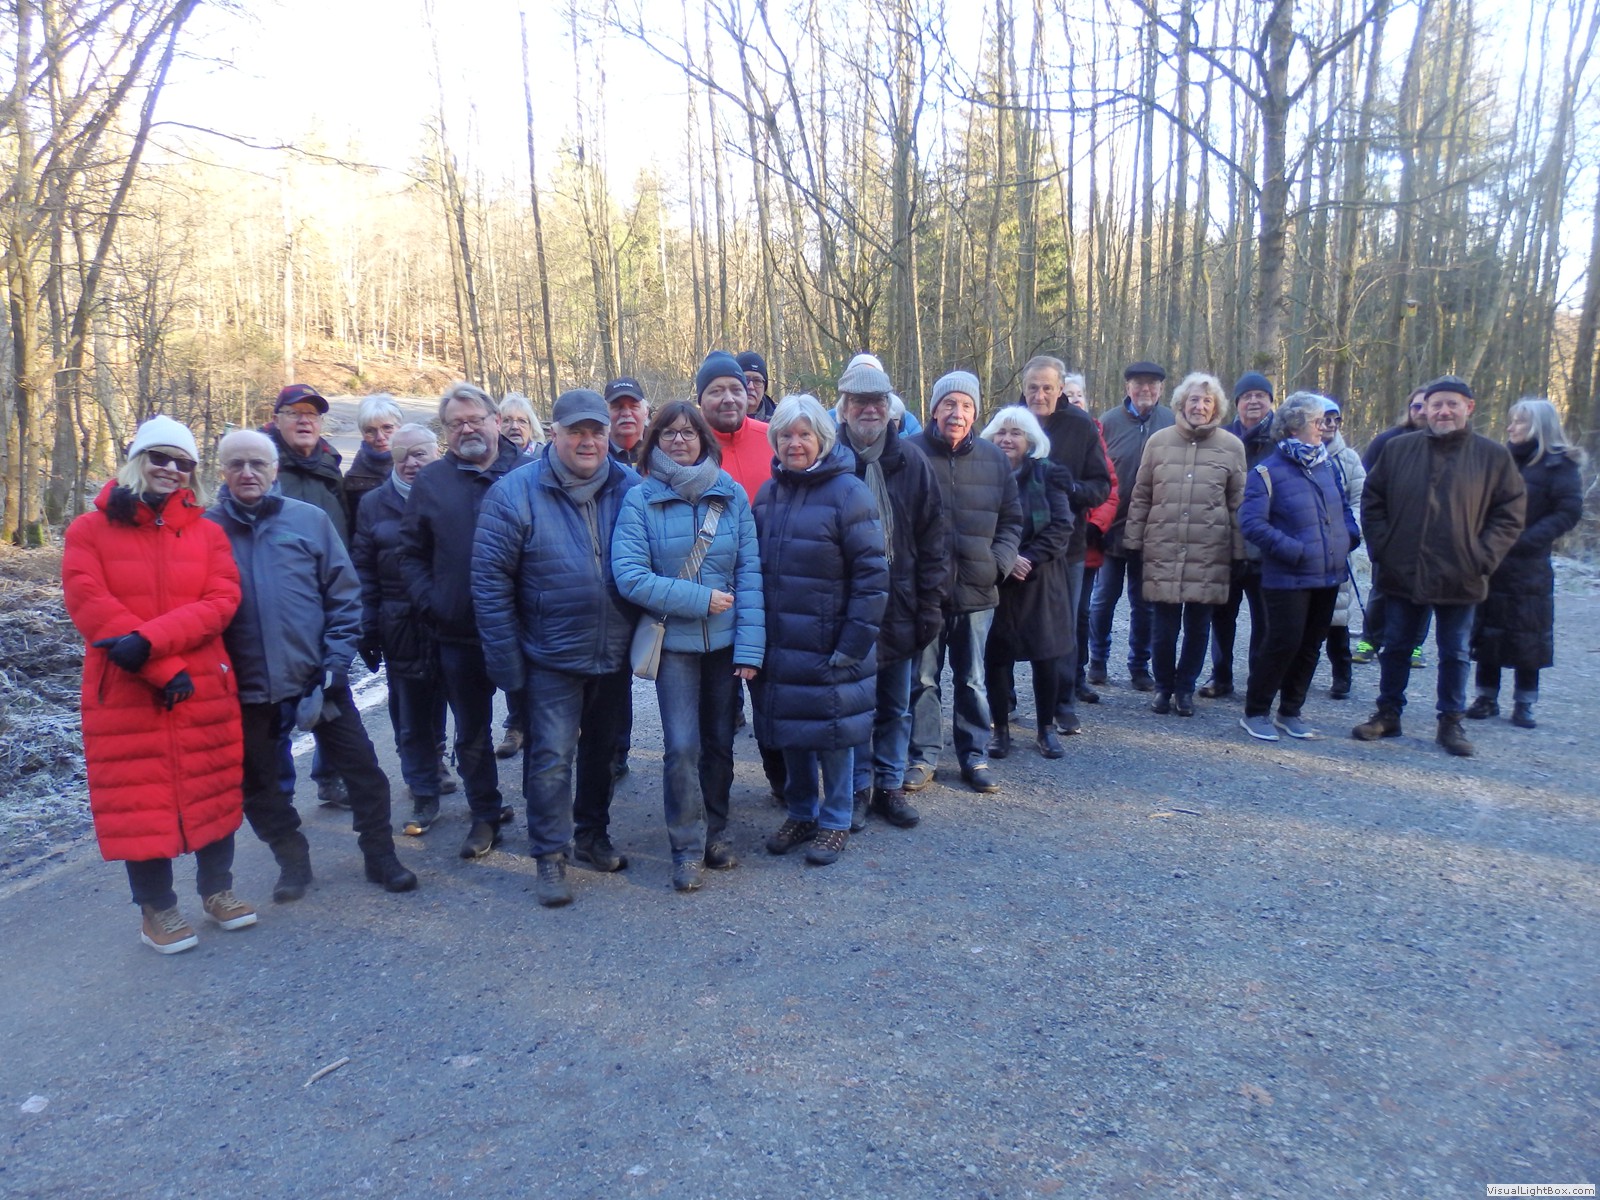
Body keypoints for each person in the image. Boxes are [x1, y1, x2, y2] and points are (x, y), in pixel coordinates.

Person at [62, 415, 254, 955]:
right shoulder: (88, 531)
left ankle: (217, 890)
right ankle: (156, 909)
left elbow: (221, 602)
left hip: (202, 683)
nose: (171, 469)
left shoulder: (208, 532)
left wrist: (151, 641)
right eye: (159, 457)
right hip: (127, 688)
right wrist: (159, 667)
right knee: (139, 799)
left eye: (183, 462)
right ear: (137, 460)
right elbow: (90, 604)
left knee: (212, 787)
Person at [206, 430, 418, 900]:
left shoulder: (308, 520)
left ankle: (381, 856)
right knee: (260, 785)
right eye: (237, 464)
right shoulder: (205, 532)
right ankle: (292, 860)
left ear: (274, 470)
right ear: (222, 471)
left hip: (317, 679)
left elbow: (344, 596)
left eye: (257, 464)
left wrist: (335, 663)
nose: (247, 473)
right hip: (246, 688)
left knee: (363, 772)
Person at [473, 389, 642, 907]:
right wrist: (507, 665)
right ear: (554, 433)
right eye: (576, 431)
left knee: (603, 753)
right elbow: (490, 585)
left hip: (613, 650)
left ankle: (592, 835)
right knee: (550, 758)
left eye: (596, 431)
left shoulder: (630, 486)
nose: (588, 441)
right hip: (549, 654)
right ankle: (550, 853)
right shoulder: (514, 493)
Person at [611, 402, 765, 891]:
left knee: (719, 743)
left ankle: (715, 832)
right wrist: (699, 600)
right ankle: (685, 847)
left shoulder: (731, 493)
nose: (679, 440)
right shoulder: (641, 499)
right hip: (674, 645)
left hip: (724, 645)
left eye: (688, 432)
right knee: (680, 747)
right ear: (655, 440)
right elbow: (629, 575)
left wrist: (750, 648)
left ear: (703, 438)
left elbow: (750, 573)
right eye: (669, 433)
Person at [1353, 376, 1527, 756]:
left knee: (1455, 652)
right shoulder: (1398, 449)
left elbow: (1510, 513)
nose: (1443, 411)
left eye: (1452, 404)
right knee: (1396, 646)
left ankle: (1451, 721)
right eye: (1436, 405)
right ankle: (1387, 713)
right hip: (1403, 569)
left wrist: (1483, 557)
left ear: (1469, 407)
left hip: (1462, 573)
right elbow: (1373, 500)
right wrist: (1383, 548)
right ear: (1425, 409)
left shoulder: (1493, 457)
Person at [751, 395, 888, 865]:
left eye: (804, 434)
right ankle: (802, 812)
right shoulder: (768, 495)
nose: (794, 443)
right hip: (783, 643)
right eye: (786, 435)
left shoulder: (849, 494)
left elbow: (872, 578)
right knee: (794, 733)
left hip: (833, 644)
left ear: (822, 439)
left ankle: (836, 819)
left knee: (835, 736)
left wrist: (853, 643)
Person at [399, 383, 521, 860]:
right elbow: (411, 553)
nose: (467, 429)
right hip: (458, 632)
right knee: (471, 732)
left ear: (496, 421)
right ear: (446, 431)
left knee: (542, 728)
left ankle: (549, 818)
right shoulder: (431, 482)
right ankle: (484, 814)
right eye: (456, 423)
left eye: (475, 419)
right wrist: (433, 602)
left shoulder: (530, 470)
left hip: (523, 628)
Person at [835, 358, 949, 831]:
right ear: (843, 407)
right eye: (860, 401)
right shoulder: (830, 460)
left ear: (889, 407)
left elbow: (933, 540)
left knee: (896, 706)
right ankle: (857, 787)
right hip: (846, 609)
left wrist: (930, 605)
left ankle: (890, 783)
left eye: (877, 401)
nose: (870, 409)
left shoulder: (913, 463)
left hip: (900, 603)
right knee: (852, 706)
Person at [907, 371, 1023, 794]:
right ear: (934, 409)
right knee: (922, 680)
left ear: (975, 413)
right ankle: (922, 756)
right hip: (925, 593)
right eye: (949, 404)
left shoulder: (994, 459)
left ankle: (974, 755)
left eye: (966, 406)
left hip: (977, 591)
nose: (957, 413)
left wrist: (998, 564)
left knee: (972, 679)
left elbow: (1012, 520)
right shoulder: (909, 454)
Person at [1236, 393, 1360, 741]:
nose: (1324, 427)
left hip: (1329, 573)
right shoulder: (1266, 472)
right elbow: (1251, 523)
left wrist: (1349, 537)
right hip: (1286, 577)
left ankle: (1290, 711)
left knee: (1310, 646)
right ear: (1294, 426)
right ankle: (1256, 711)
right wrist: (1292, 550)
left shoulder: (1327, 466)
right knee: (1282, 643)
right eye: (1317, 421)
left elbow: (1344, 509)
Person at [1122, 372, 1246, 716]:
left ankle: (1185, 689)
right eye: (1194, 399)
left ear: (1216, 407)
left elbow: (1238, 503)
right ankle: (1163, 688)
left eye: (1207, 401)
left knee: (1198, 626)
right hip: (1163, 547)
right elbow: (1141, 495)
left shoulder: (1232, 446)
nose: (1199, 406)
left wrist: (1240, 552)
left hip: (1210, 551)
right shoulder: (1158, 442)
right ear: (1181, 403)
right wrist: (1133, 541)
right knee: (1163, 628)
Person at [353, 424, 451, 835]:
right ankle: (423, 791)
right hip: (400, 623)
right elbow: (363, 567)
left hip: (449, 619)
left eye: (419, 454)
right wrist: (367, 626)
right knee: (410, 713)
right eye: (401, 455)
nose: (411, 463)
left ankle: (467, 784)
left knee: (458, 706)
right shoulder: (373, 504)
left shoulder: (451, 492)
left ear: (436, 453)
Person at [1467, 399, 1584, 729]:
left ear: (1537, 426)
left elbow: (1568, 512)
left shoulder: (1559, 465)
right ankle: (1485, 697)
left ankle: (1525, 701)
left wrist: (1527, 540)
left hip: (1529, 562)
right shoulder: (1500, 459)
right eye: (1512, 421)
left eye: (1518, 422)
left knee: (1528, 631)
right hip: (1492, 557)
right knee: (1487, 627)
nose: (1510, 427)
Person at [265, 382, 353, 810]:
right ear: (276, 420)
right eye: (294, 412)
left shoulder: (329, 466)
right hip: (279, 606)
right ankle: (276, 801)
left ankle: (330, 777)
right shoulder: (262, 466)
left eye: (312, 414)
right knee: (274, 705)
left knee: (330, 690)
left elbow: (345, 526)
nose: (304, 421)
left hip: (328, 600)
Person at [1017, 355, 1111, 736]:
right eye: (1033, 387)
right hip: (1015, 545)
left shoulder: (1080, 426)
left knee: (1063, 627)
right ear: (1023, 389)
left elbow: (1101, 486)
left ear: (1060, 390)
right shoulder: (1010, 422)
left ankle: (1062, 703)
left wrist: (1070, 488)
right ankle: (1005, 704)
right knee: (1006, 625)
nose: (1039, 395)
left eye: (1047, 388)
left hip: (1065, 547)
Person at [979, 407, 1076, 759]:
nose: (1007, 439)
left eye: (1016, 433)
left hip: (1040, 579)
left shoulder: (1048, 474)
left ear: (1030, 440)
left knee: (1045, 656)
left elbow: (1062, 525)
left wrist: (1029, 558)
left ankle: (1046, 729)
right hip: (996, 579)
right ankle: (1000, 730)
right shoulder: (983, 474)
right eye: (1002, 432)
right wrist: (1004, 558)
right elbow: (973, 524)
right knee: (996, 657)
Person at [1089, 361, 1176, 691]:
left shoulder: (1171, 422)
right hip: (1112, 528)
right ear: (1127, 387)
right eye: (1139, 383)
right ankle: (1097, 661)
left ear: (1161, 389)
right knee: (1103, 600)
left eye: (1152, 384)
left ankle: (1139, 666)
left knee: (1144, 604)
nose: (1145, 390)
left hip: (1153, 532)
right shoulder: (1109, 422)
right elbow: (1097, 473)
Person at [1199, 372, 1276, 699]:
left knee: (1265, 619)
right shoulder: (1222, 438)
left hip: (1266, 546)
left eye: (1261, 396)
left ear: (1271, 401)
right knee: (1222, 615)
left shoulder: (1281, 440)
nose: (1254, 401)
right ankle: (1221, 676)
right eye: (1247, 396)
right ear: (1237, 403)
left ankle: (1259, 679)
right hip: (1226, 543)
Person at [1353, 386, 1430, 665]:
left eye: (1426, 406)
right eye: (1416, 406)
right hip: (1391, 533)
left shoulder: (1444, 444)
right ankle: (1369, 640)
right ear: (1409, 409)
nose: (1421, 412)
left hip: (1429, 536)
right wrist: (1377, 535)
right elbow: (1367, 486)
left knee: (1425, 593)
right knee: (1381, 589)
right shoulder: (1387, 441)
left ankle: (1415, 645)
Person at [1061, 376, 1120, 706]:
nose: (1074, 399)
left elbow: (1109, 487)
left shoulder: (1094, 436)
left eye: (1078, 394)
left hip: (1087, 542)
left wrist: (1096, 524)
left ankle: (1077, 675)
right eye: (1068, 394)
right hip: (1055, 541)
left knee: (1081, 613)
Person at [492, 391, 543, 758]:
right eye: (507, 420)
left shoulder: (544, 460)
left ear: (532, 426)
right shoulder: (492, 462)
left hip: (539, 572)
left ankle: (552, 722)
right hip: (509, 570)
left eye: (521, 420)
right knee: (513, 650)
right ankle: (516, 724)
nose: (514, 426)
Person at [1317, 398, 1367, 699]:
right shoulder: (1296, 454)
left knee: (1338, 616)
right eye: (1324, 419)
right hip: (1308, 546)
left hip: (1338, 546)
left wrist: (1349, 532)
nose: (1329, 425)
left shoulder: (1349, 459)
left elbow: (1361, 499)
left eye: (1334, 420)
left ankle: (1342, 673)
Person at [697, 351, 771, 501]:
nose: (729, 399)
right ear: (700, 399)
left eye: (736, 390)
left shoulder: (773, 439)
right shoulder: (684, 446)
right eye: (716, 391)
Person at [343, 394, 402, 531]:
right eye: (370, 431)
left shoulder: (417, 465)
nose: (380, 437)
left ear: (399, 427)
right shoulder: (353, 478)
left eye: (387, 428)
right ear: (362, 434)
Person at [605, 377, 650, 468]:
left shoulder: (662, 448)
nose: (626, 413)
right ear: (605, 413)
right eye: (617, 407)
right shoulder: (596, 454)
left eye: (633, 406)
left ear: (646, 412)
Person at [738, 350, 776, 421]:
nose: (751, 386)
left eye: (757, 381)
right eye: (745, 379)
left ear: (764, 387)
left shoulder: (779, 422)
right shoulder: (720, 419)